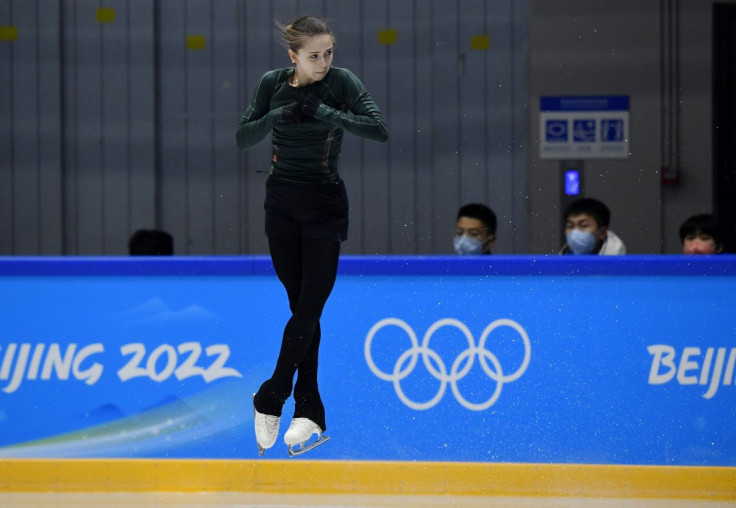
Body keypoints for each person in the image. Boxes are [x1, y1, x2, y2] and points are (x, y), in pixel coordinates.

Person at [236, 15, 388, 456]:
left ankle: (272, 393)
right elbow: (243, 136)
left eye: (328, 54)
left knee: (311, 303)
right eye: (313, 56)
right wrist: (278, 114)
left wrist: (326, 112)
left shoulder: (341, 83)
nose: (323, 62)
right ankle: (310, 407)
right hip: (282, 202)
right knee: (302, 308)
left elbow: (378, 129)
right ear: (293, 57)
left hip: (324, 203)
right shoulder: (271, 84)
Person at [559, 198, 626, 255]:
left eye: (584, 225)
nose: (575, 232)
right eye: (570, 226)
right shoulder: (563, 257)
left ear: (602, 233)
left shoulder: (619, 264)